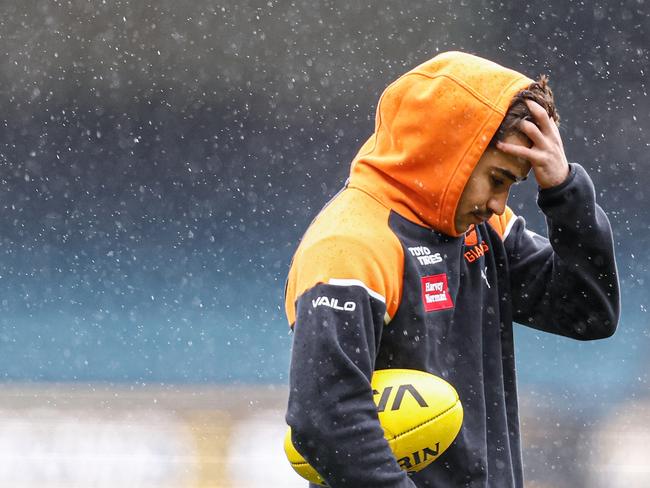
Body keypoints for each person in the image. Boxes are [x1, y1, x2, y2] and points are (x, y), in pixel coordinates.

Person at [283, 51, 619, 488]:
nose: (500, 203)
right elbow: (325, 417)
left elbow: (587, 311)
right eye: (497, 179)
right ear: (453, 154)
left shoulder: (483, 230)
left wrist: (564, 189)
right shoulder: (350, 244)